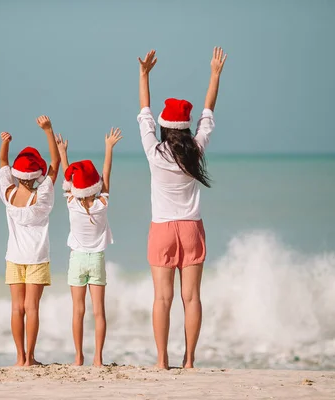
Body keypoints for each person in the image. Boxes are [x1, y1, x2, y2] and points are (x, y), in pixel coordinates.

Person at [137, 47, 227, 369]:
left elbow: (144, 111)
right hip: (190, 228)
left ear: (164, 127)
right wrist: (215, 74)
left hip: (162, 229)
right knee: (192, 298)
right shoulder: (195, 151)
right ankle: (189, 361)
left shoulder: (154, 152)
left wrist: (144, 74)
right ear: (186, 128)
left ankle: (162, 361)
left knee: (162, 298)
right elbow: (208, 114)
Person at [55, 128, 122, 366]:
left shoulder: (72, 203)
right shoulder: (102, 203)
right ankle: (98, 358)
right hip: (96, 260)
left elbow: (68, 178)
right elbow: (106, 173)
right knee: (98, 312)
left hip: (77, 259)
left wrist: (63, 153)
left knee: (78, 311)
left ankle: (78, 356)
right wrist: (109, 147)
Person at [0, 117, 61, 366]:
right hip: (36, 257)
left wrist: (6, 143)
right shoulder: (42, 196)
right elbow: (55, 165)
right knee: (32, 307)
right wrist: (48, 130)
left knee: (17, 308)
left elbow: (3, 163)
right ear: (36, 175)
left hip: (14, 257)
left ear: (16, 173)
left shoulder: (8, 194)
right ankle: (31, 358)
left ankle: (19, 357)